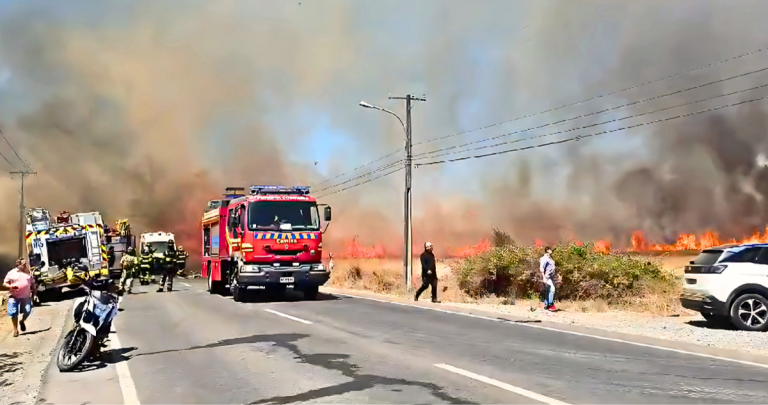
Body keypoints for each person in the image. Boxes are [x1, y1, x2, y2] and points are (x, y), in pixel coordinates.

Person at [3, 258, 36, 337]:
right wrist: (11, 286)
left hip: (26, 296)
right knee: (13, 313)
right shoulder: (11, 273)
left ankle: (22, 321)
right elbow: (5, 283)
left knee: (28, 311)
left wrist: (35, 294)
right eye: (23, 264)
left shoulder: (28, 273)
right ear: (18, 265)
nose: (25, 265)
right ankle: (15, 329)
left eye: (25, 264)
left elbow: (33, 284)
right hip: (14, 296)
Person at [539, 246, 557, 311]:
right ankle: (550, 305)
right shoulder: (544, 258)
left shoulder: (550, 258)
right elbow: (542, 268)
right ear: (547, 250)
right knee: (552, 289)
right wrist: (544, 277)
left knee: (548, 290)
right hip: (547, 277)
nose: (552, 251)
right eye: (551, 250)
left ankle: (545, 304)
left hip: (551, 277)